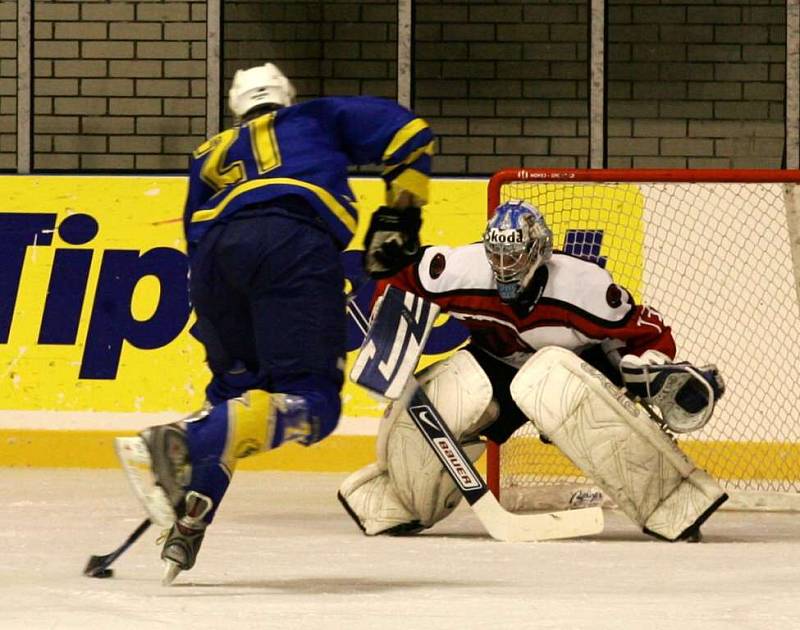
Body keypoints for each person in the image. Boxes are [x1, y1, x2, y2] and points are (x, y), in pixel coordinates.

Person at [115, 63, 435, 584]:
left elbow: (195, 239)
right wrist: (402, 215)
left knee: (236, 402)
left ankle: (190, 519)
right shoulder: (316, 116)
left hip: (215, 264)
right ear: (287, 96)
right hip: (292, 240)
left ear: (235, 108)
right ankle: (178, 439)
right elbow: (408, 132)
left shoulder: (208, 153)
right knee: (314, 402)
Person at [339, 199, 727, 542]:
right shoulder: (460, 270)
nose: (505, 267)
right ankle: (400, 501)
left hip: (572, 369)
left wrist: (651, 367)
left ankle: (672, 500)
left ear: (539, 251)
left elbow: (648, 333)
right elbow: (403, 278)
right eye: (497, 256)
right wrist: (384, 298)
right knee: (449, 399)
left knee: (548, 377)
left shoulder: (584, 287)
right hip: (495, 365)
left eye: (516, 257)